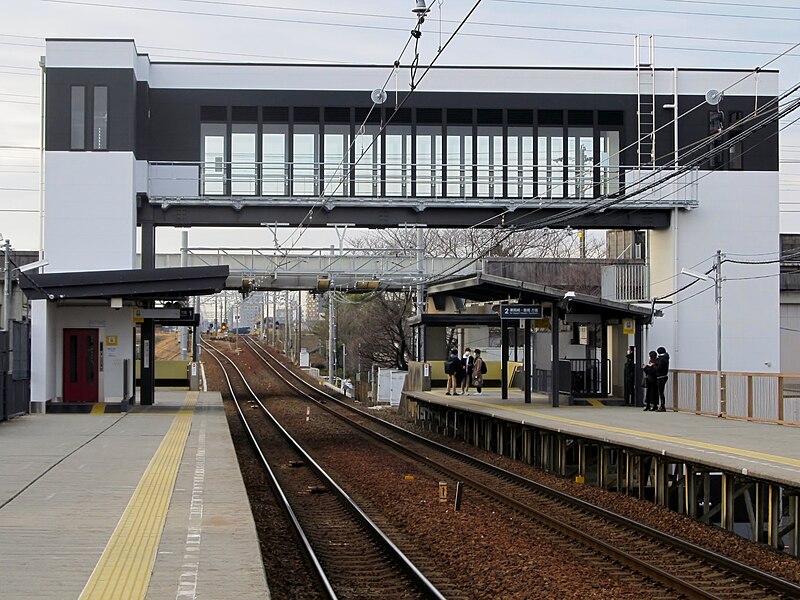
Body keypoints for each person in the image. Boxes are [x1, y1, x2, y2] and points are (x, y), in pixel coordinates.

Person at [655, 346, 670, 412]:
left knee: (661, 392)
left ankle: (662, 406)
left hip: (661, 376)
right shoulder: (666, 358)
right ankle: (662, 405)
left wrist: (654, 365)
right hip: (664, 376)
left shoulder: (662, 359)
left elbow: (658, 368)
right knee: (661, 392)